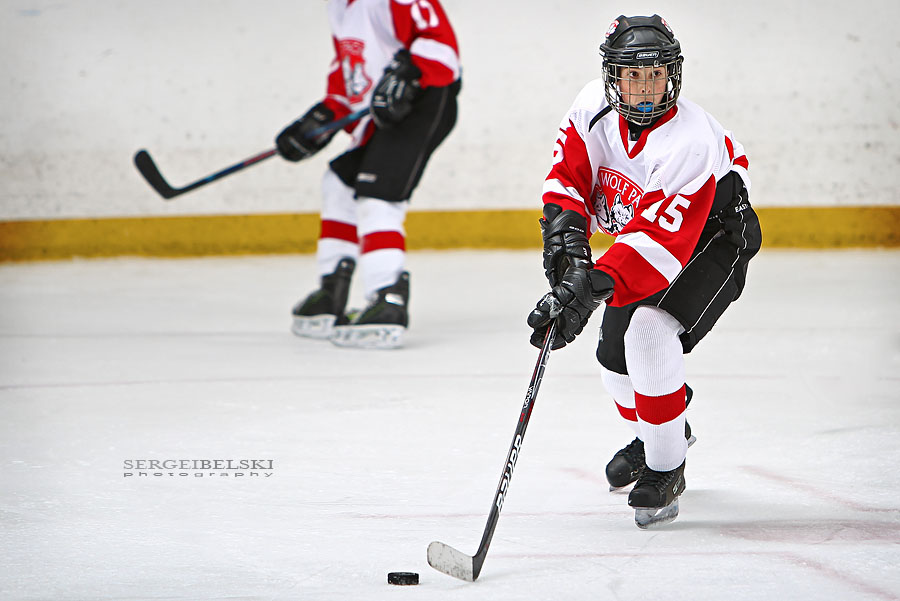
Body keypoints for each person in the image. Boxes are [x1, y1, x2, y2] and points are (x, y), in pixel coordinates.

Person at [527, 15, 761, 528]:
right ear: (612, 76)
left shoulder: (689, 141)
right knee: (615, 363)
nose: (646, 88)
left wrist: (587, 290)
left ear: (672, 74)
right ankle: (664, 428)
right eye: (633, 75)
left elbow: (658, 243)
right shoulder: (591, 107)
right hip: (648, 238)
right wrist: (569, 261)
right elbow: (568, 179)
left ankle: (666, 465)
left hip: (714, 236)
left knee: (649, 336)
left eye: (656, 74)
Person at [275, 0, 461, 349]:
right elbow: (351, 74)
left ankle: (387, 297)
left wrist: (408, 73)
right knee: (339, 183)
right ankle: (331, 291)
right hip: (384, 111)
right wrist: (324, 116)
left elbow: (442, 45)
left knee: (378, 194)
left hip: (423, 98)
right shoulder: (339, 7)